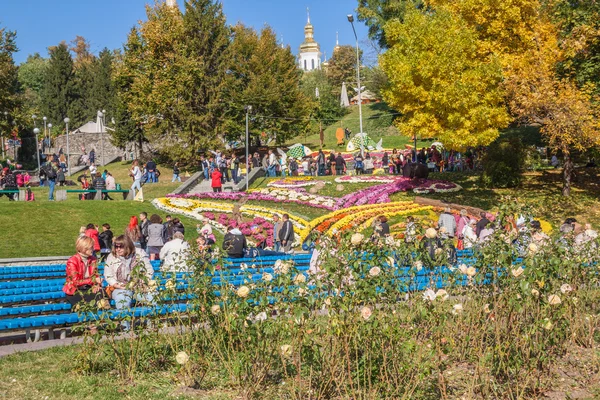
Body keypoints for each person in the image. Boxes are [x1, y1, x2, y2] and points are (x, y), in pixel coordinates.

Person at [104, 235, 154, 327]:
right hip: (120, 287)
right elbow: (108, 275)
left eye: (121, 246)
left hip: (138, 286)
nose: (118, 249)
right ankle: (125, 329)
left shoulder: (139, 253)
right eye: (116, 246)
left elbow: (149, 270)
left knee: (151, 298)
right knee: (123, 301)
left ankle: (152, 327)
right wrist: (116, 285)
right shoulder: (112, 257)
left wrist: (143, 281)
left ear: (128, 246)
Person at [62, 236, 105, 307]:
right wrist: (92, 281)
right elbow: (75, 282)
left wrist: (96, 285)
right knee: (94, 299)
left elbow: (96, 276)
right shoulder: (73, 261)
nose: (93, 249)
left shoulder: (93, 260)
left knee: (101, 293)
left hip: (88, 288)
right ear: (84, 248)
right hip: (75, 290)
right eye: (91, 247)